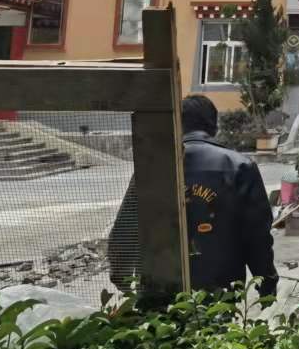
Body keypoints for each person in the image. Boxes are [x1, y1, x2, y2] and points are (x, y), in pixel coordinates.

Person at [107, 96, 278, 298]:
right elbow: (257, 235)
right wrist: (267, 283)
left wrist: (123, 280)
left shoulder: (151, 168)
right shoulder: (239, 167)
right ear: (214, 126)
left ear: (177, 125)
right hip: (221, 290)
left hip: (160, 289)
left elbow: (125, 231)